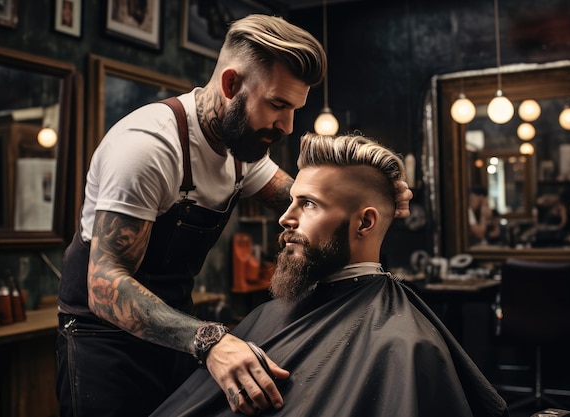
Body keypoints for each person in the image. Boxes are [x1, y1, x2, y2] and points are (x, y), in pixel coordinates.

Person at [55, 14, 414, 417]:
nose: (287, 125)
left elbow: (307, 200)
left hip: (173, 330)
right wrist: (211, 340)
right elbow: (104, 285)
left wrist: (372, 197)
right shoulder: (148, 148)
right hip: (103, 343)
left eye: (295, 108)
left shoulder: (241, 152)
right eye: (277, 104)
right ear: (230, 85)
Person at [150, 132, 508, 417]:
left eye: (307, 204)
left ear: (365, 222)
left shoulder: (403, 345)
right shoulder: (270, 315)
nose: (285, 218)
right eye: (291, 200)